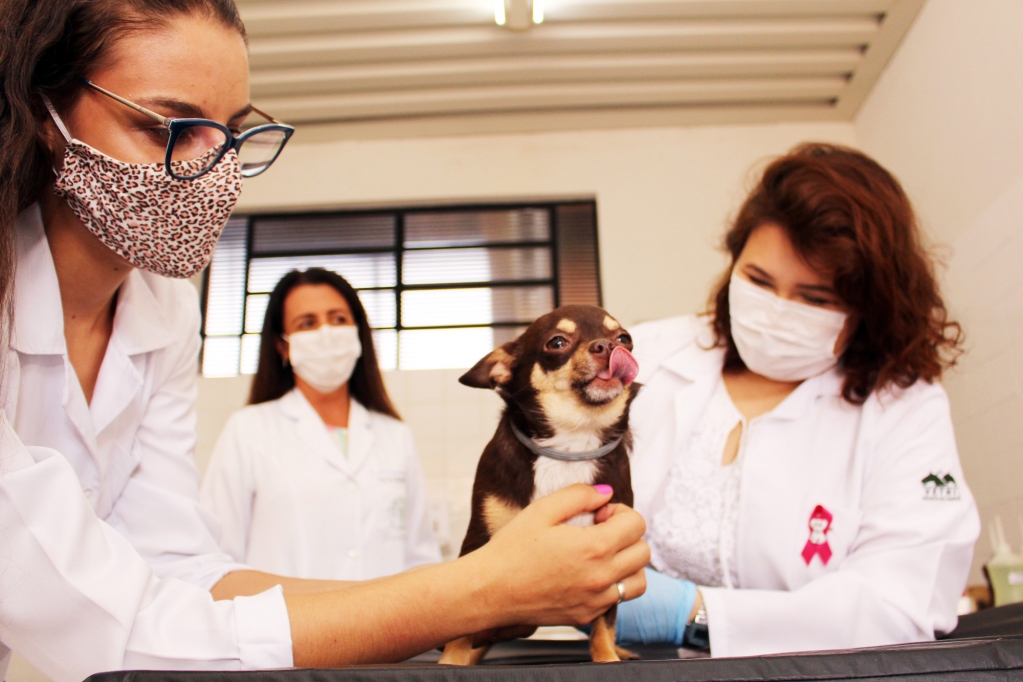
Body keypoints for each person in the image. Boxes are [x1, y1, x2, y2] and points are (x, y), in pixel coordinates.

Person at [0, 1, 649, 679]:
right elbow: (115, 626)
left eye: (230, 136)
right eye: (167, 127)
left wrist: (465, 589)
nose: (213, 172)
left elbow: (179, 569)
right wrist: (474, 593)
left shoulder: (163, 310)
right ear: (45, 112)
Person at [614, 144, 980, 657]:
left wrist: (695, 616)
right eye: (759, 281)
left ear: (866, 307)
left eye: (815, 299)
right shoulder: (652, 353)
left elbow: (901, 600)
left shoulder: (903, 406)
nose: (777, 312)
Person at [201, 268, 441, 579]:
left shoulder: (395, 435)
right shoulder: (247, 430)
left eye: (338, 319)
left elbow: (421, 560)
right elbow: (216, 558)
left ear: (358, 332)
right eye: (307, 323)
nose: (326, 333)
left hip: (388, 626)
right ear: (282, 346)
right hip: (287, 625)